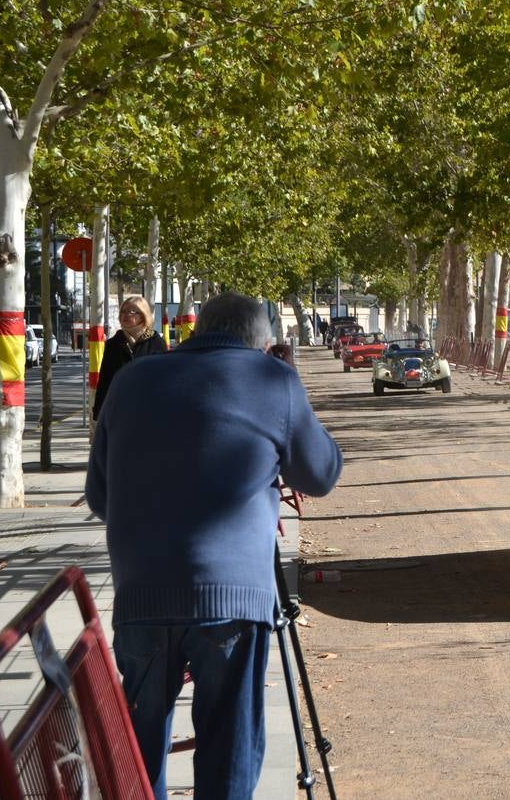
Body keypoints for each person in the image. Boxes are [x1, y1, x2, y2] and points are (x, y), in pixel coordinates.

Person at [86, 292, 343, 800]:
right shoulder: (273, 380)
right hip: (232, 603)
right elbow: (321, 474)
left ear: (198, 329)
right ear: (264, 343)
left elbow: (99, 496)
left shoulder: (133, 378)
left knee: (137, 756)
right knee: (228, 748)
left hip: (141, 597)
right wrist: (293, 387)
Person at [92, 295, 168, 423]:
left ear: (143, 316)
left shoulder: (156, 343)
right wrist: (98, 414)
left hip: (149, 412)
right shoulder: (113, 344)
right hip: (119, 412)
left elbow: (164, 381)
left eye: (132, 312)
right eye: (123, 311)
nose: (126, 315)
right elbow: (105, 380)